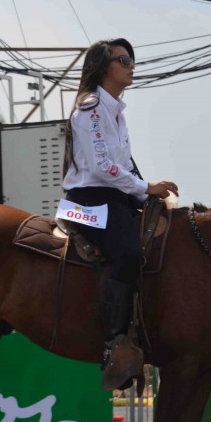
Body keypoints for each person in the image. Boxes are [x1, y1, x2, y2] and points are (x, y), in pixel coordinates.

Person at [60, 38, 178, 392]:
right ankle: (115, 343)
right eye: (123, 59)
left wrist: (145, 190)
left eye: (131, 59)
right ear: (103, 66)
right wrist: (147, 187)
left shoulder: (114, 110)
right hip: (91, 198)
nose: (131, 65)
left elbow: (123, 164)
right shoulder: (92, 108)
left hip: (115, 195)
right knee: (128, 253)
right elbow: (103, 167)